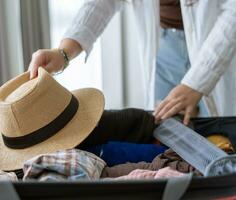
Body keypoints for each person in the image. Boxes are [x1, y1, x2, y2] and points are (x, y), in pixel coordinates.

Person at [28, 0, 236, 125]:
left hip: (219, 46)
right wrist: (63, 53)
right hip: (163, 48)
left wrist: (197, 81)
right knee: (167, 137)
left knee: (222, 137)